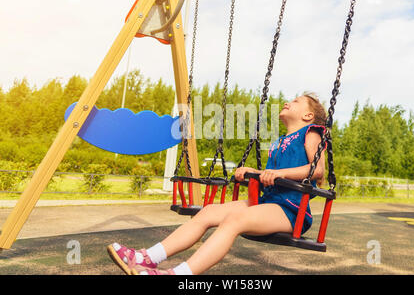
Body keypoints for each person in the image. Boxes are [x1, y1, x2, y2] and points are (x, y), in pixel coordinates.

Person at [107, 92, 327, 275]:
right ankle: (146, 257)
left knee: (234, 219)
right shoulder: (279, 142)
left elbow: (318, 170)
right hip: (266, 202)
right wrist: (254, 172)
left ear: (308, 115)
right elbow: (270, 176)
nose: (288, 102)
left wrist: (276, 173)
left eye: (296, 101)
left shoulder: (311, 133)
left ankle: (178, 274)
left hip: (290, 210)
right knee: (208, 212)